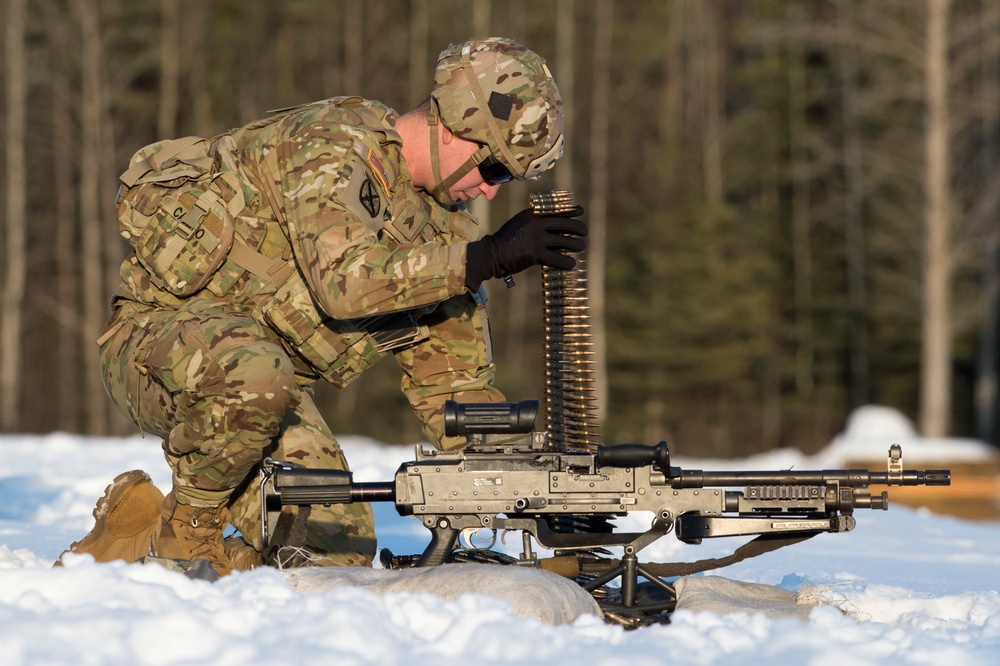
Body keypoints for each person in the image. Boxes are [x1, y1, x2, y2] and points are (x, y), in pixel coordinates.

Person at [59, 37, 586, 576]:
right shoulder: (331, 144)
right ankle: (186, 532)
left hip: (261, 389)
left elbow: (455, 392)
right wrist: (488, 256)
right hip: (156, 348)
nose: (492, 193)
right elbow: (345, 282)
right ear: (455, 129)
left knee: (332, 553)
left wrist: (548, 489)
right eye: (495, 170)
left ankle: (133, 532)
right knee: (254, 372)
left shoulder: (442, 232)